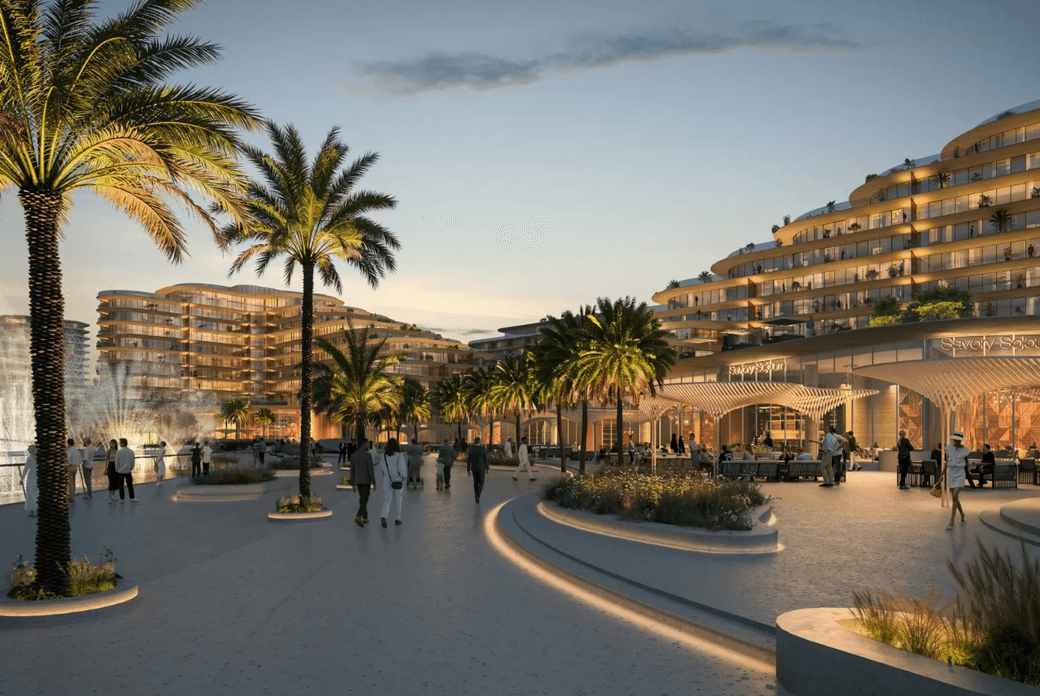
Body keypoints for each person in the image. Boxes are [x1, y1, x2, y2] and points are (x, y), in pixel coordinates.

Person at [943, 430, 969, 530]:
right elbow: (947, 462)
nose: (956, 441)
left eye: (958, 440)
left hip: (960, 472)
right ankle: (962, 514)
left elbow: (967, 463)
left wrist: (967, 474)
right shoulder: (948, 448)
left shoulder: (965, 450)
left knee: (954, 495)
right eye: (955, 440)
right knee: (955, 498)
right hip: (951, 473)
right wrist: (942, 474)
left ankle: (951, 521)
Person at [378, 437, 407, 527]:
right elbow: (402, 469)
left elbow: (381, 469)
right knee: (398, 500)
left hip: (387, 480)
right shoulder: (399, 456)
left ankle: (384, 516)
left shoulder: (383, 456)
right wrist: (403, 477)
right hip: (398, 480)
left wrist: (385, 475)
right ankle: (398, 519)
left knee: (387, 499)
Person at [350, 438, 375, 527]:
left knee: (362, 498)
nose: (368, 445)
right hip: (366, 480)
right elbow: (370, 470)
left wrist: (353, 483)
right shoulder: (367, 455)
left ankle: (365, 518)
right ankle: (358, 516)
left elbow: (352, 471)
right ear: (363, 444)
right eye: (367, 444)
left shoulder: (353, 456)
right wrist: (374, 482)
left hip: (358, 481)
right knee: (365, 499)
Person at [467, 436, 491, 504]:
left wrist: (468, 469)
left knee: (475, 482)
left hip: (474, 468)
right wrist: (487, 468)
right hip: (481, 468)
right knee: (481, 482)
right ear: (480, 442)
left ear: (474, 442)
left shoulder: (471, 449)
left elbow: (469, 460)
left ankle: (476, 494)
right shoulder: (483, 449)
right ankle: (478, 495)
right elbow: (486, 459)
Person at [114, 437, 136, 502]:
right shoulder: (131, 452)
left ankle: (122, 498)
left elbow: (117, 462)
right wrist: (130, 468)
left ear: (122, 443)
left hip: (120, 471)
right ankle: (132, 497)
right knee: (130, 485)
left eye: (120, 442)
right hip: (128, 471)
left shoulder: (118, 452)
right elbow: (133, 462)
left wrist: (117, 469)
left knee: (121, 485)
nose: (119, 444)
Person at [21, 444, 38, 517]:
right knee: (38, 493)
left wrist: (22, 479)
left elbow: (25, 469)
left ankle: (31, 510)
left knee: (30, 493)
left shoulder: (29, 458)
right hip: (38, 476)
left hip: (31, 477)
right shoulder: (39, 458)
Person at [66, 437, 82, 502]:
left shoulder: (69, 451)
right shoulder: (76, 450)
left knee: (70, 483)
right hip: (75, 467)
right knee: (73, 482)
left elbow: (68, 459)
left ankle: (71, 497)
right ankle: (72, 495)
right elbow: (80, 459)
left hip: (70, 467)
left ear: (68, 444)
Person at [105, 439, 120, 504]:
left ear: (115, 444)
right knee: (110, 482)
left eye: (113, 443)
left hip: (116, 467)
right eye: (110, 443)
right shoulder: (109, 451)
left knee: (115, 482)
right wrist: (105, 468)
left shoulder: (117, 451)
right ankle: (109, 498)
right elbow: (106, 460)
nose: (111, 444)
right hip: (110, 466)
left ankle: (113, 495)